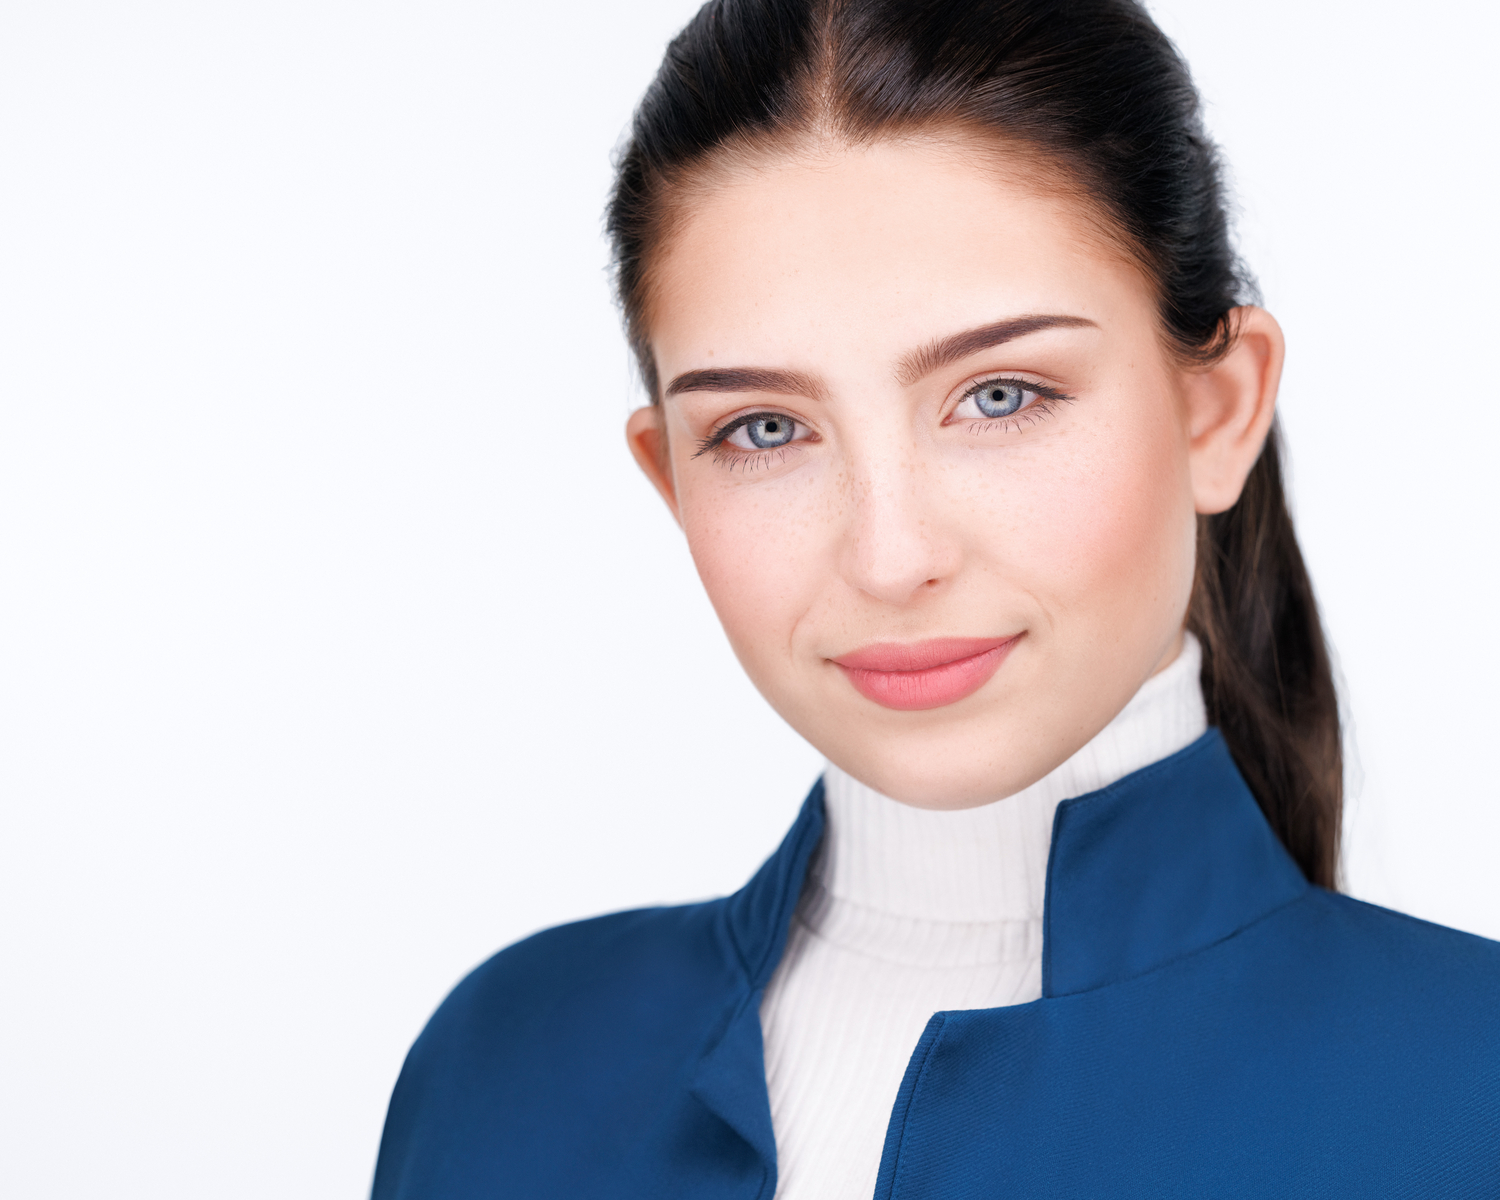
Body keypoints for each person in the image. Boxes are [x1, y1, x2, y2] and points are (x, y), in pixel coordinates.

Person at [371, 1, 1500, 1196]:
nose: (889, 557)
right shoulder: (503, 1071)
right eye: (764, 429)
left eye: (1002, 396)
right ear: (670, 478)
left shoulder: (1468, 1092)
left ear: (1215, 411)